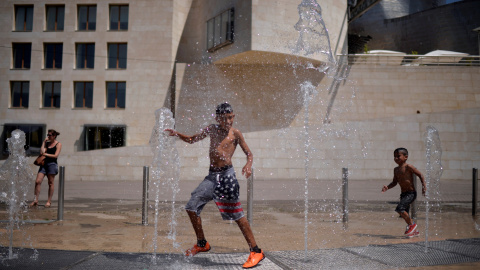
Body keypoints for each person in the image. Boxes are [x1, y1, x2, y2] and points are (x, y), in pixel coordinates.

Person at [165, 103, 264, 268]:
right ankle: (202, 243)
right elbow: (192, 139)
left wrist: (248, 165)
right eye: (224, 118)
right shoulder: (211, 129)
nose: (228, 121)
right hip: (212, 177)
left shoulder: (236, 133)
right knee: (191, 206)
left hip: (227, 177)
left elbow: (249, 153)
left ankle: (256, 251)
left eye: (231, 117)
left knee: (237, 215)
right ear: (217, 118)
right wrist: (177, 134)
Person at [382, 147, 426, 237]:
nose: (396, 158)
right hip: (403, 194)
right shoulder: (396, 170)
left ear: (406, 157)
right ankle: (414, 231)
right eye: (394, 156)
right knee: (403, 213)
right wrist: (387, 187)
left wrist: (424, 186)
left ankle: (412, 225)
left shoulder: (408, 167)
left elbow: (420, 175)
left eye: (398, 156)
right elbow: (395, 182)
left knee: (400, 209)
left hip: (411, 193)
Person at [30, 129, 62, 208]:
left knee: (50, 183)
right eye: (48, 135)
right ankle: (35, 200)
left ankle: (49, 201)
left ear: (54, 136)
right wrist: (44, 142)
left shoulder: (58, 144)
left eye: (50, 135)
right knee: (37, 181)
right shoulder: (46, 143)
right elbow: (41, 152)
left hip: (52, 164)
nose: (48, 136)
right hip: (43, 164)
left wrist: (46, 154)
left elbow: (55, 155)